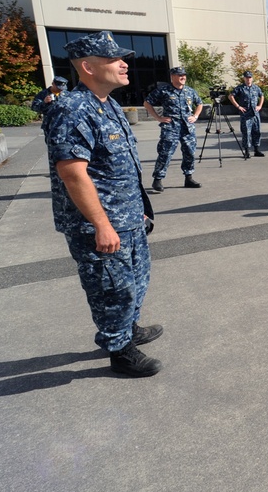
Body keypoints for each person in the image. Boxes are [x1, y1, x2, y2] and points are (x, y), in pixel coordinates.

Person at [43, 31, 162, 377]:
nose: (124, 63)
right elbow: (73, 174)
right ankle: (119, 350)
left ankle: (130, 329)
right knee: (112, 288)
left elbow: (115, 168)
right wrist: (101, 224)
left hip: (126, 215)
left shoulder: (107, 104)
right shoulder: (71, 109)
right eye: (114, 59)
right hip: (98, 223)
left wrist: (135, 208)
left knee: (137, 278)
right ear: (88, 67)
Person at [145, 66, 204, 191]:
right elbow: (147, 102)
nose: (183, 77)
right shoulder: (164, 90)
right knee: (165, 153)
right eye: (179, 75)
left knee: (190, 152)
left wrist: (196, 116)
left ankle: (189, 178)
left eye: (184, 75)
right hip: (171, 127)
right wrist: (158, 118)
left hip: (187, 127)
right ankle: (158, 179)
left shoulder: (190, 91)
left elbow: (199, 103)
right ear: (172, 77)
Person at [228, 70, 265, 158]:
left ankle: (257, 150)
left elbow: (262, 96)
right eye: (247, 77)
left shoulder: (256, 88)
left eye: (250, 77)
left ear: (252, 78)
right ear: (244, 78)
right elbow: (230, 96)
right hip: (246, 114)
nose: (248, 79)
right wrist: (238, 106)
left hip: (255, 114)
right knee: (246, 133)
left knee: (257, 131)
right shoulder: (240, 88)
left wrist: (259, 106)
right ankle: (247, 151)